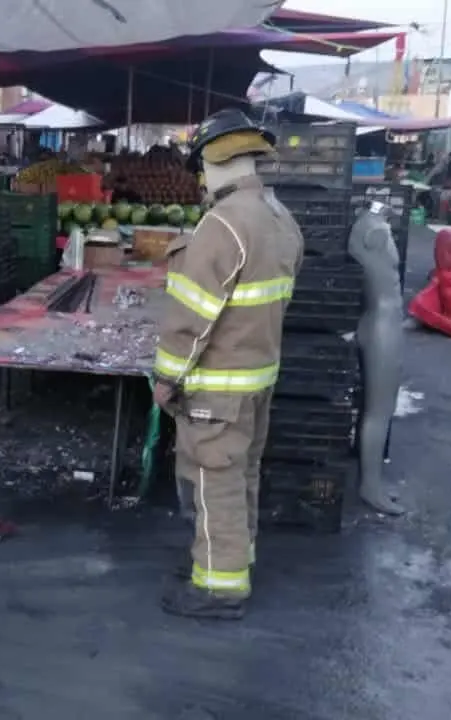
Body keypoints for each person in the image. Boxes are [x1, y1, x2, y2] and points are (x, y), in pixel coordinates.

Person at [154, 108, 303, 621]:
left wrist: (166, 378)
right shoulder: (279, 217)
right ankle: (229, 557)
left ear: (211, 163)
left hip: (217, 388)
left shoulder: (224, 224)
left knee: (212, 479)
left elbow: (189, 318)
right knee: (240, 476)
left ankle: (219, 588)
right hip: (258, 379)